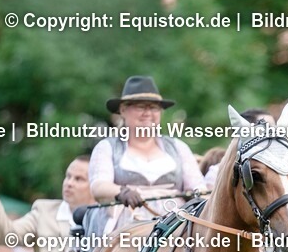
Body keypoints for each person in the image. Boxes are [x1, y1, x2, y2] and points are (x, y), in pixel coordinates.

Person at [88, 75, 205, 234]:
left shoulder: (178, 147)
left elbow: (198, 187)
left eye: (154, 107)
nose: (148, 113)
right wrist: (122, 192)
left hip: (175, 224)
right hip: (126, 224)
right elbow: (99, 186)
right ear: (123, 110)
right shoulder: (107, 147)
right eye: (141, 107)